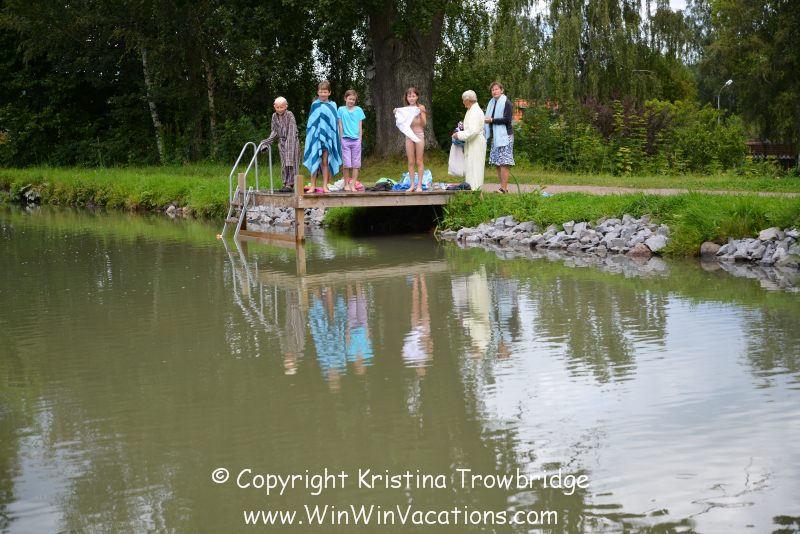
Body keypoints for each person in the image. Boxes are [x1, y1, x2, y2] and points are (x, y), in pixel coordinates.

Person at [303, 81, 342, 194]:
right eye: (321, 92)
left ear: (329, 92)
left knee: (325, 162)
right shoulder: (314, 105)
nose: (323, 94)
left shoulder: (333, 105)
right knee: (314, 159)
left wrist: (333, 138)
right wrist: (311, 136)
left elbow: (333, 124)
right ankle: (313, 186)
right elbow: (311, 122)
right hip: (315, 137)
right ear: (318, 92)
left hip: (328, 138)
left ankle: (325, 186)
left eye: (325, 92)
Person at [260, 97, 300, 192]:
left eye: (281, 107)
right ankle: (285, 183)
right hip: (281, 142)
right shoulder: (274, 116)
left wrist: (289, 147)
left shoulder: (289, 115)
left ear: (286, 106)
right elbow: (274, 130)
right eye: (277, 107)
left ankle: (290, 184)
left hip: (292, 141)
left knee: (291, 162)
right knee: (284, 163)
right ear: (274, 107)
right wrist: (267, 142)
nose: (279, 109)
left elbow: (292, 131)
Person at [451, 90, 486, 190]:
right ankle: (470, 189)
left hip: (476, 143)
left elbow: (473, 132)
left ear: (467, 100)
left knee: (476, 168)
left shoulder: (475, 112)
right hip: (472, 143)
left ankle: (476, 191)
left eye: (463, 100)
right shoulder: (471, 110)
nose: (463, 103)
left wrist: (459, 135)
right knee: (470, 167)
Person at [393, 87, 426, 192]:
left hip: (419, 135)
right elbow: (401, 122)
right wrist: (397, 113)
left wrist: (421, 113)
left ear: (417, 97)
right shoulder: (404, 110)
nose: (411, 98)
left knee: (419, 160)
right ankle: (411, 185)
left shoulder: (421, 107)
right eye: (409, 96)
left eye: (413, 96)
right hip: (409, 136)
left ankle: (419, 186)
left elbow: (424, 123)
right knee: (411, 161)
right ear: (406, 98)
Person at [484, 82, 515, 193]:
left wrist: (491, 120)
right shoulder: (492, 103)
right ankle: (501, 187)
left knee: (503, 163)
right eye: (492, 90)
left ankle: (504, 189)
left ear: (502, 90)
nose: (494, 91)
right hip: (496, 136)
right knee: (497, 162)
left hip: (505, 136)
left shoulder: (506, 103)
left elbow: (507, 119)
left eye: (497, 89)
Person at [338, 90, 366, 192]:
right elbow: (340, 124)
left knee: (356, 164)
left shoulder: (358, 110)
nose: (351, 101)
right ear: (345, 98)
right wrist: (341, 138)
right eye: (350, 99)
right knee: (346, 163)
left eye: (353, 99)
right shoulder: (341, 109)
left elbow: (360, 125)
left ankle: (353, 184)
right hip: (345, 139)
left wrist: (360, 138)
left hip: (356, 140)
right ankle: (346, 184)